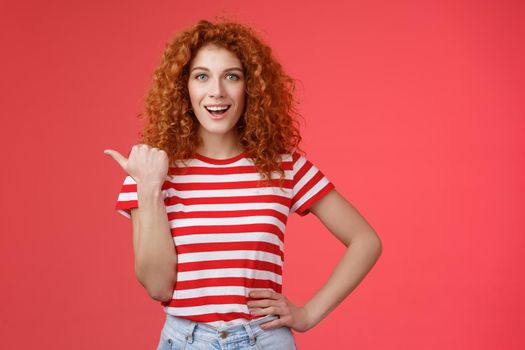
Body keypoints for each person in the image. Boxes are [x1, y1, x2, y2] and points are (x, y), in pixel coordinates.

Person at [104, 18, 382, 350]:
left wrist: (308, 315)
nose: (216, 91)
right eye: (202, 76)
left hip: (264, 340)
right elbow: (158, 287)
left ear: (250, 86)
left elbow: (365, 240)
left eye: (231, 76)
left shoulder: (284, 166)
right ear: (184, 87)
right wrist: (149, 190)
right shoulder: (153, 170)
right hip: (185, 341)